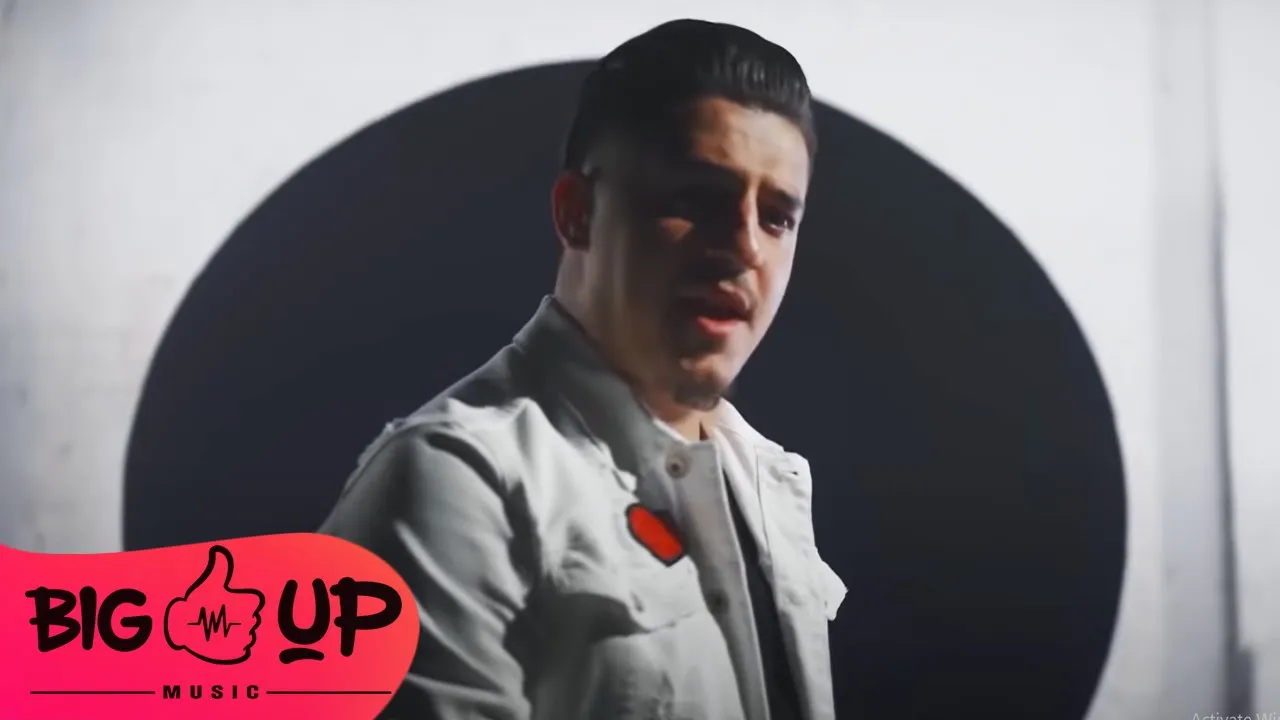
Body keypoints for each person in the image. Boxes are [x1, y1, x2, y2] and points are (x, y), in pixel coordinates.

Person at [319, 18, 846, 720]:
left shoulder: (766, 481)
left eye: (777, 217)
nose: (745, 246)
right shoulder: (454, 480)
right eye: (697, 200)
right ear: (577, 212)